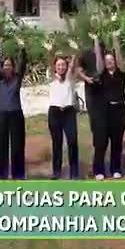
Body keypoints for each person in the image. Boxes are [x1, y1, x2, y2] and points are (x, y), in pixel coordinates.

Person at [89, 31, 125, 180]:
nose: (109, 62)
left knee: (117, 143)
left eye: (111, 60)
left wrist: (115, 38)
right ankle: (98, 170)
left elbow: (120, 57)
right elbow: (98, 61)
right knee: (101, 142)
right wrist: (96, 41)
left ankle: (115, 168)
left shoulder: (121, 73)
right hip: (103, 112)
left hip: (119, 111)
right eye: (107, 60)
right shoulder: (101, 73)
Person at [0, 31, 27, 180]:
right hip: (2, 116)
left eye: (9, 65)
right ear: (2, 67)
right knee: (1, 146)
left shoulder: (17, 78)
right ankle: (2, 174)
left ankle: (18, 174)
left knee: (17, 146)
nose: (7, 67)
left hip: (16, 115)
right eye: (5, 65)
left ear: (13, 66)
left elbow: (23, 63)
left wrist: (22, 49)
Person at [43, 40, 80, 180]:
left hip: (69, 113)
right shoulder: (52, 77)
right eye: (58, 65)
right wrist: (49, 51)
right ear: (55, 67)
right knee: (56, 143)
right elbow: (49, 62)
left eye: (63, 64)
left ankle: (74, 172)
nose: (61, 67)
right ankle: (56, 172)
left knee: (72, 141)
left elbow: (73, 64)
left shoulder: (70, 77)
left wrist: (75, 52)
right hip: (55, 113)